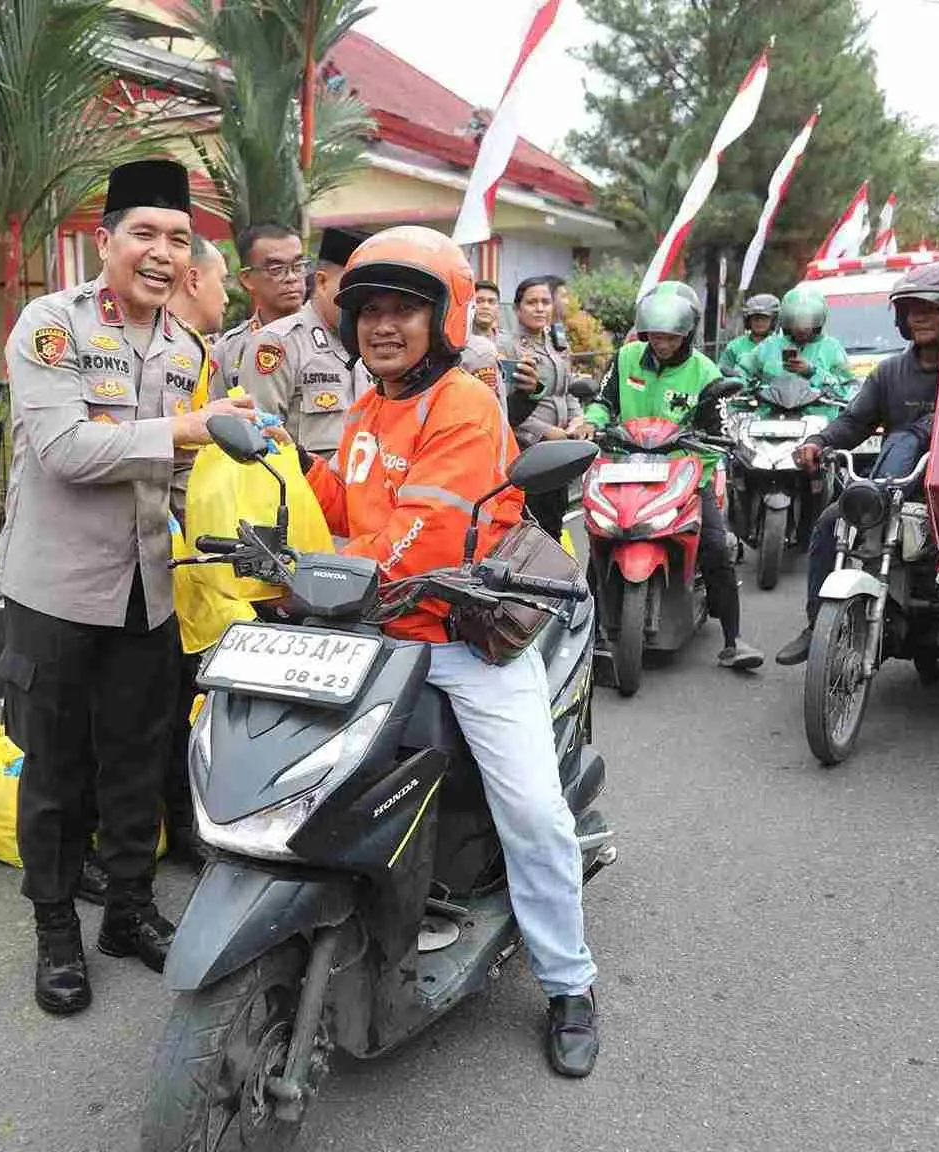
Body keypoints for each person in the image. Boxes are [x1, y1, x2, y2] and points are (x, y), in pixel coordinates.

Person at [278, 225, 600, 1078]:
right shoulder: (366, 404)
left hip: (462, 640)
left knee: (532, 810)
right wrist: (277, 468)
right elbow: (342, 509)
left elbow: (414, 543)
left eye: (404, 310)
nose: (384, 326)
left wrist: (319, 570)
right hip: (374, 636)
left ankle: (569, 983)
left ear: (444, 317)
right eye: (369, 311)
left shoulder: (463, 405)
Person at [0, 158, 256, 1016]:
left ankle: (131, 909)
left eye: (178, 240)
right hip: (58, 594)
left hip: (151, 589)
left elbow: (177, 479)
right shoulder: (51, 327)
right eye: (144, 234)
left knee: (139, 762)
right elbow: (66, 451)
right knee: (58, 770)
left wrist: (238, 507)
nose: (162, 253)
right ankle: (57, 925)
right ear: (104, 243)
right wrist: (185, 431)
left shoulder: (188, 348)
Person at [775, 261, 939, 666]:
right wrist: (818, 441)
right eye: (911, 309)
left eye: (931, 308)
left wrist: (920, 433)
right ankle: (816, 625)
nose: (919, 317)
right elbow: (855, 421)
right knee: (830, 524)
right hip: (895, 480)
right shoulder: (890, 370)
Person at [584, 291, 765, 670]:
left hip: (684, 473)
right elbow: (604, 401)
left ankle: (734, 640)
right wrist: (592, 421)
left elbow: (718, 431)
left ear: (688, 334)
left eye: (670, 337)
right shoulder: (627, 357)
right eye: (654, 335)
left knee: (715, 547)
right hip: (625, 465)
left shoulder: (705, 372)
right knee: (600, 536)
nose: (661, 344)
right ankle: (587, 630)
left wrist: (697, 465)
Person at [234, 226, 369, 462]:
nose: (361, 303)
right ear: (322, 282)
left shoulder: (368, 343)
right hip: (301, 494)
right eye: (351, 291)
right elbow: (260, 447)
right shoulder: (277, 343)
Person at [501, 277, 586, 537]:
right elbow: (503, 407)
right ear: (517, 308)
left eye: (545, 302)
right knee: (528, 530)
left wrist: (578, 420)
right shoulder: (507, 347)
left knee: (553, 524)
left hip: (559, 452)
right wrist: (543, 431)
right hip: (528, 452)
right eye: (531, 302)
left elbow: (567, 391)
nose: (540, 308)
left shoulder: (557, 344)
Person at [211, 223, 305, 393]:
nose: (291, 277)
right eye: (276, 269)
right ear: (247, 279)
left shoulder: (333, 337)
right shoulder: (227, 351)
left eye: (298, 266)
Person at [741, 285, 853, 397]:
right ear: (787, 321)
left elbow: (846, 389)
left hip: (818, 412)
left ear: (817, 321)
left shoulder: (832, 348)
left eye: (807, 321)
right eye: (796, 321)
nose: (801, 328)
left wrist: (812, 372)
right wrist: (736, 383)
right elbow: (742, 371)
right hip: (771, 411)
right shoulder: (770, 345)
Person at [717, 293, 779, 377]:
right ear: (748, 321)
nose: (759, 322)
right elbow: (721, 370)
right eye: (756, 318)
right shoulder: (735, 346)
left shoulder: (780, 345)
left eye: (764, 318)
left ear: (773, 321)